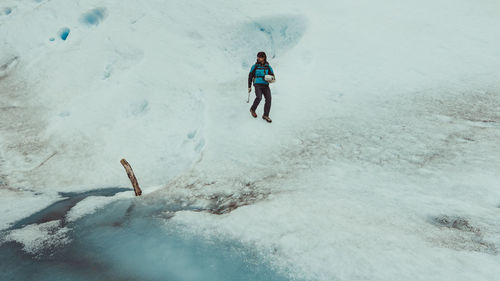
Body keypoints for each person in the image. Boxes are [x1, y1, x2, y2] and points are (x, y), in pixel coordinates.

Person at [248, 51, 275, 123]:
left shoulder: (268, 66)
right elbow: (250, 76)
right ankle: (252, 109)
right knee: (259, 97)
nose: (258, 58)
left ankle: (266, 115)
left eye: (260, 57)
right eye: (258, 57)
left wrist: (271, 79)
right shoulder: (255, 66)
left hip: (265, 84)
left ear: (264, 58)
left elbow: (272, 75)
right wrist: (249, 86)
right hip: (257, 84)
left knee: (269, 98)